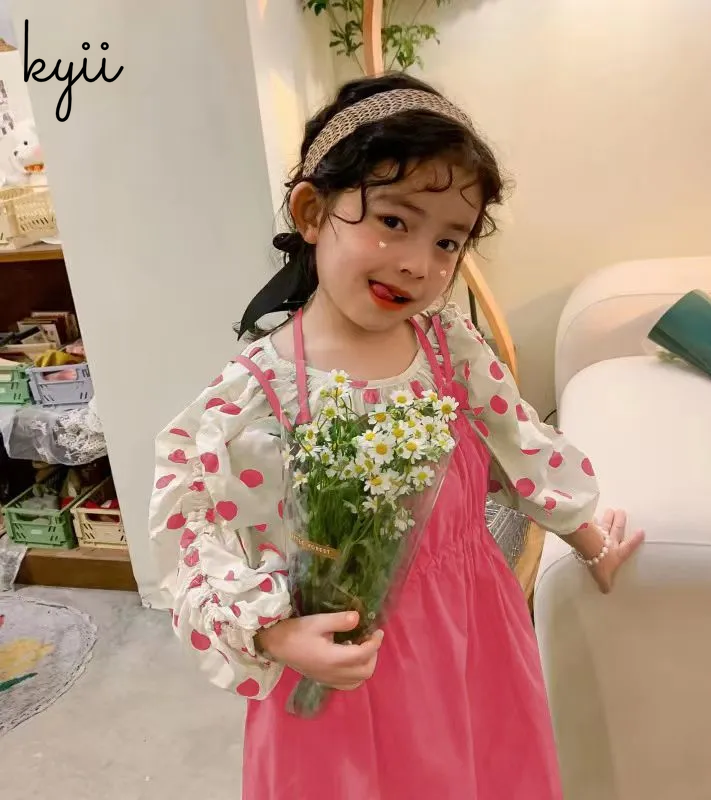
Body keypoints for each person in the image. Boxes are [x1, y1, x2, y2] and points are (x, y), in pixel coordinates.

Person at [148, 72, 644, 800]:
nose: (418, 263)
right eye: (392, 221)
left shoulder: (447, 346)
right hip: (342, 667)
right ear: (313, 212)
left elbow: (517, 440)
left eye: (447, 241)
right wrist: (275, 634)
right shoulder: (256, 393)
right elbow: (192, 533)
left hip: (470, 639)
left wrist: (590, 537)